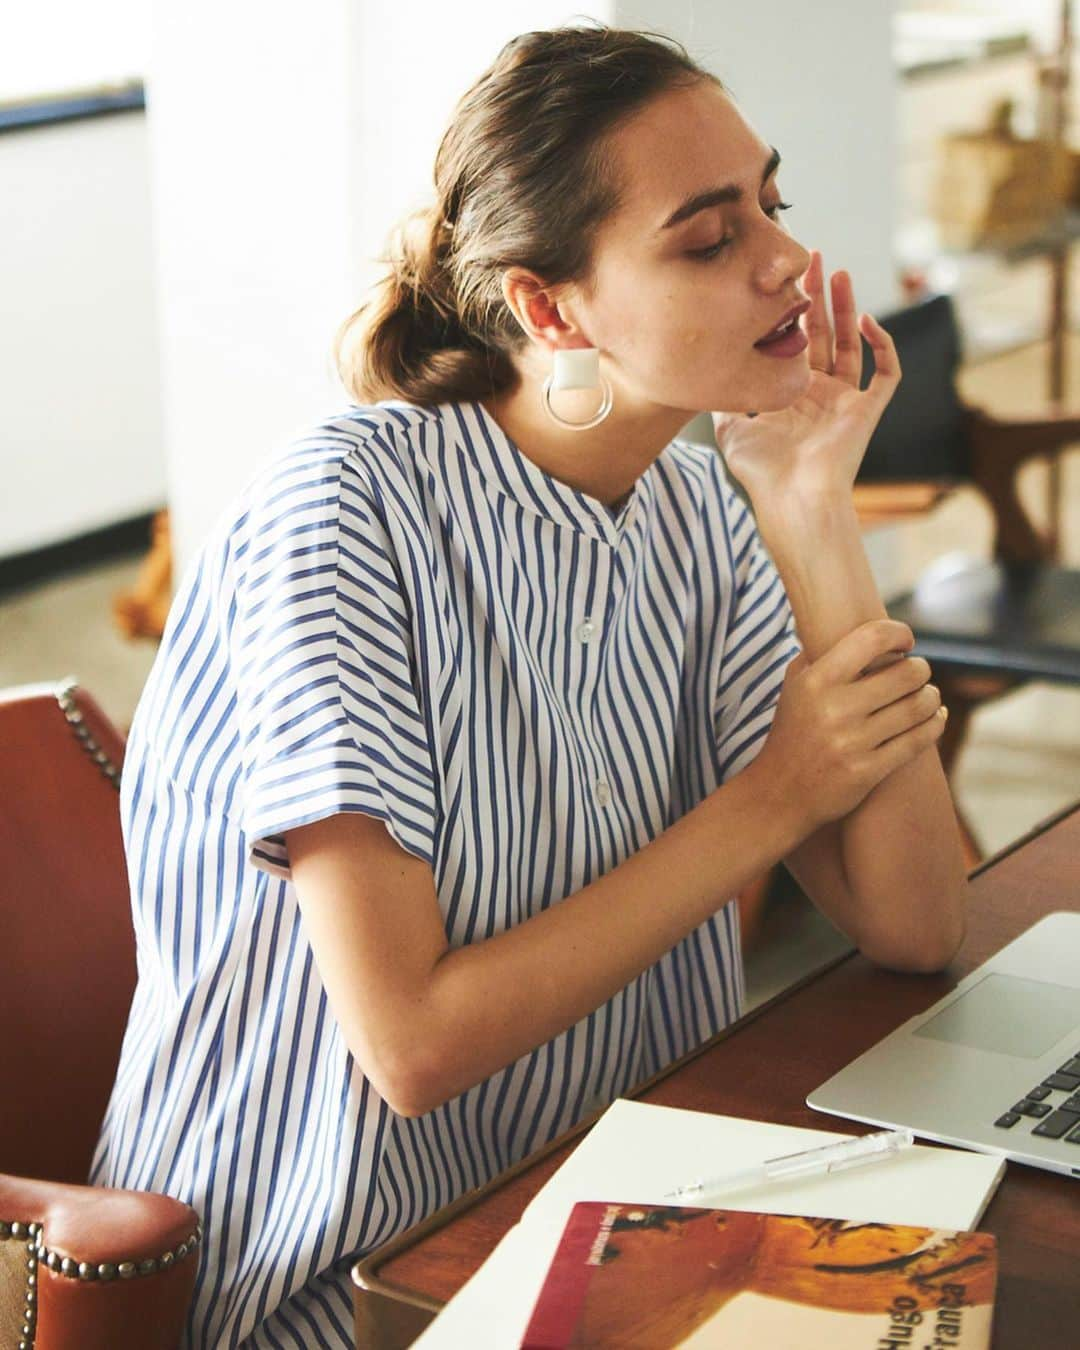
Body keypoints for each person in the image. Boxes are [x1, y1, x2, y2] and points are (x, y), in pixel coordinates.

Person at [90, 22, 968, 1347]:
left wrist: (810, 507)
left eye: (770, 206)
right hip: (332, 1275)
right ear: (549, 308)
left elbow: (913, 919)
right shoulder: (347, 516)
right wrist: (777, 795)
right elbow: (415, 1044)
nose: (788, 258)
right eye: (708, 235)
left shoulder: (698, 511)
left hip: (609, 1219)